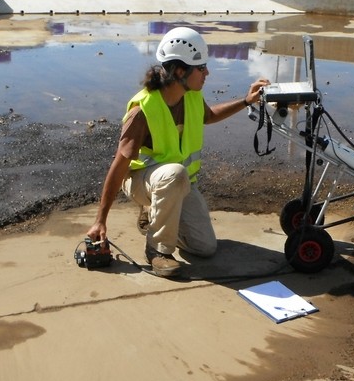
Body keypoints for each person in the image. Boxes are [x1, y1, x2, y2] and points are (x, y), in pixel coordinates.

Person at [87, 27, 269, 278]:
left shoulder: (191, 95)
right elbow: (119, 164)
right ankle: (157, 251)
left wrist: (246, 101)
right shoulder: (142, 110)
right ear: (180, 71)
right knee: (174, 173)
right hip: (144, 183)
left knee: (204, 247)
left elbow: (208, 115)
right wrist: (100, 220)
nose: (207, 72)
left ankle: (157, 216)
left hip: (178, 183)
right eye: (201, 67)